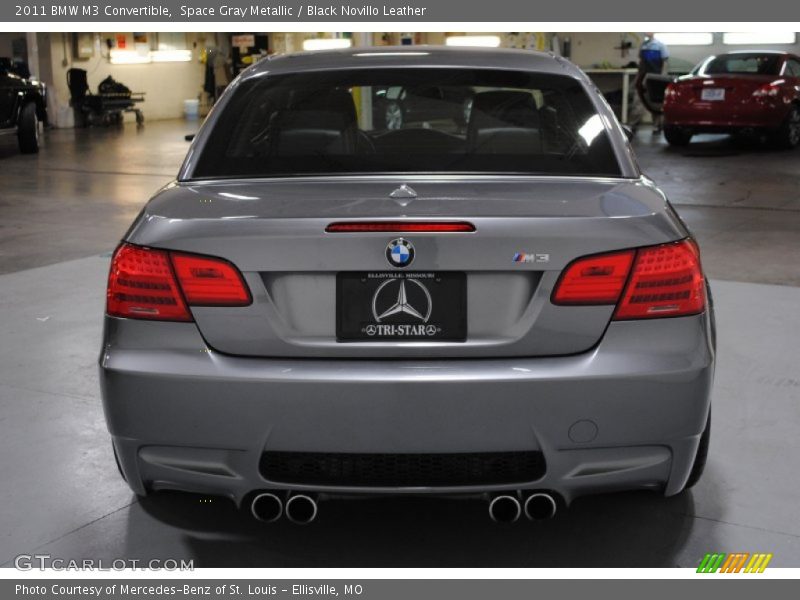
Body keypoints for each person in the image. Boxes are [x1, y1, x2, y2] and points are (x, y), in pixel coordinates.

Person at [636, 33, 669, 134]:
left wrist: (662, 76)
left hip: (655, 77)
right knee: (638, 99)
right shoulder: (643, 45)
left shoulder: (660, 46)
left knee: (655, 101)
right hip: (643, 76)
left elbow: (665, 62)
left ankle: (657, 125)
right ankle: (634, 124)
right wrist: (639, 75)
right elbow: (641, 61)